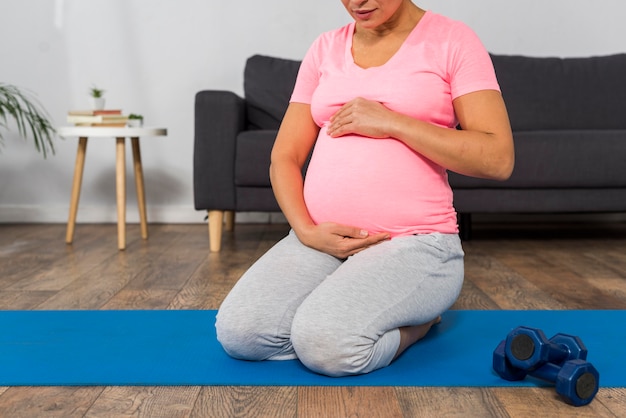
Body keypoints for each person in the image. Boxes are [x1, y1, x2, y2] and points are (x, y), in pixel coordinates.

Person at [215, 0, 514, 377]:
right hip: (322, 239)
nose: (357, 2)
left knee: (325, 346)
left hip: (414, 242)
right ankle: (342, 306)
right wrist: (307, 231)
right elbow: (284, 158)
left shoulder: (452, 41)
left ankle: (419, 324)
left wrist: (392, 122)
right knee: (241, 334)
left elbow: (498, 158)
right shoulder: (325, 48)